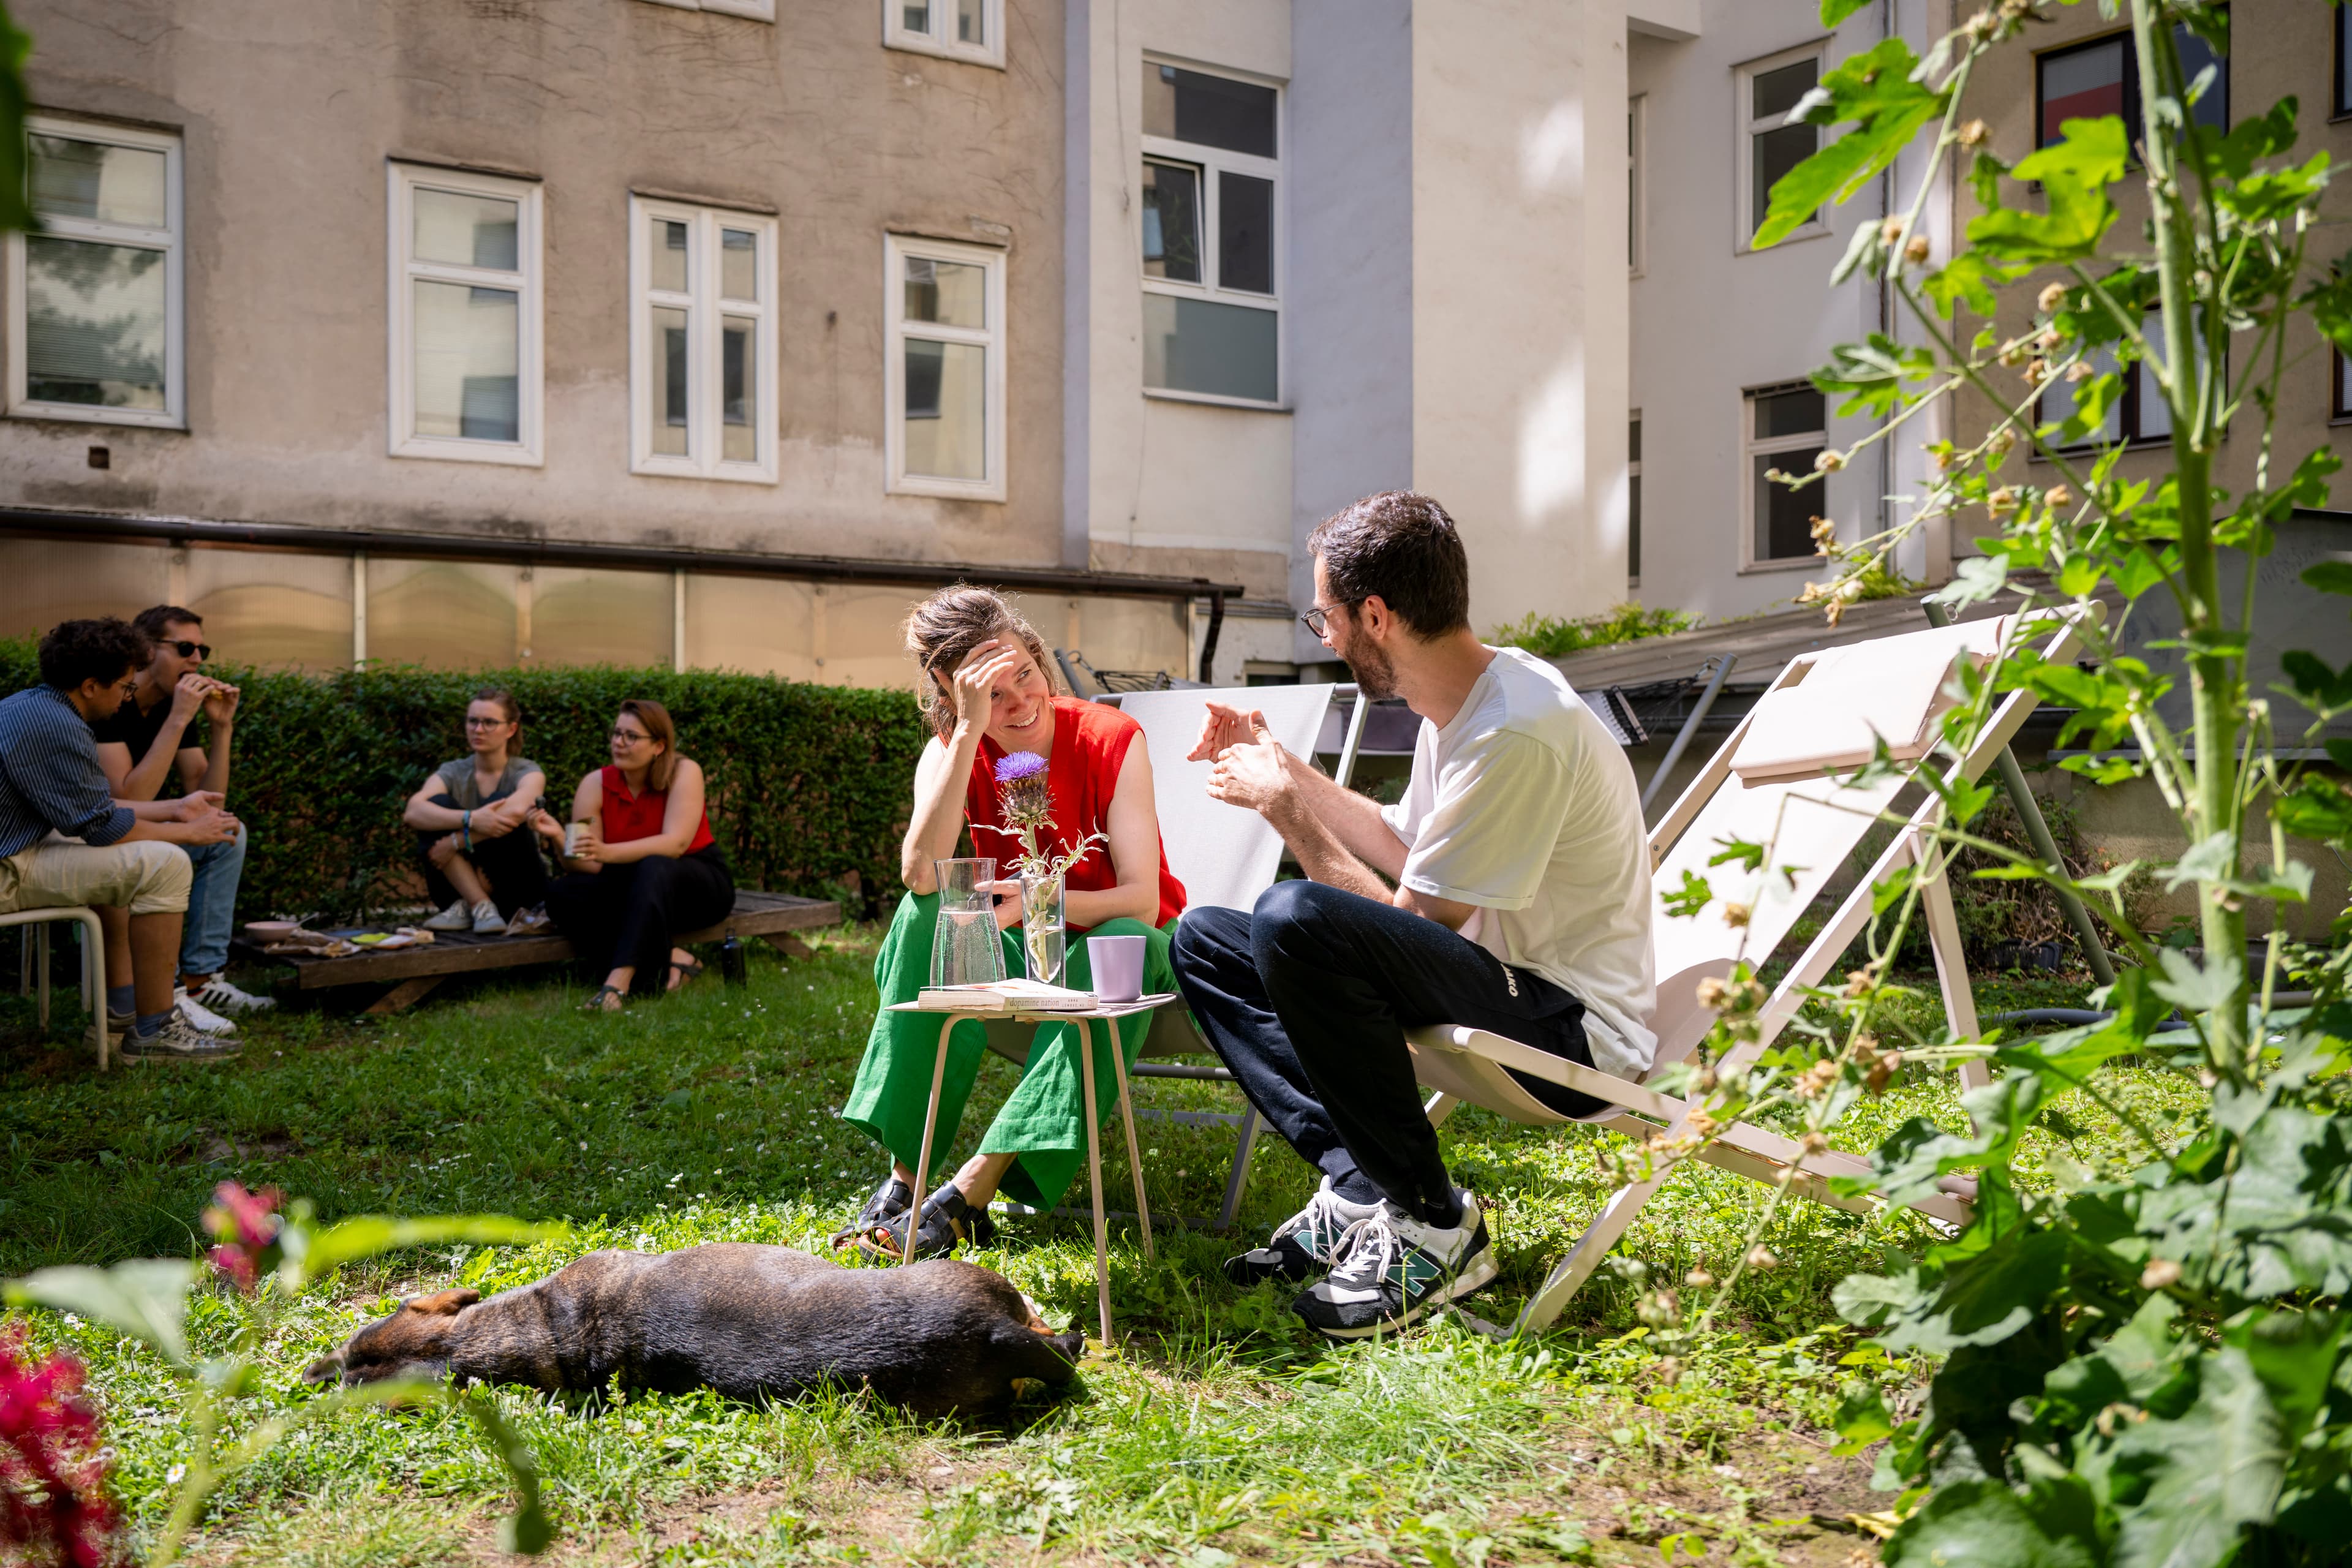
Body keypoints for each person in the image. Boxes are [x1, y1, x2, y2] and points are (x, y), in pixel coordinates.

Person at [1170, 491, 1656, 1339]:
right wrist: (1284, 763)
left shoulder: (1516, 731)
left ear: (1375, 615)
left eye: (1324, 617)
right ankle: (1360, 1182)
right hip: (1500, 983)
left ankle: (1434, 1221)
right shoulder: (1468, 700)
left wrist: (1286, 811)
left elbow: (1412, 928)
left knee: (1295, 917)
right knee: (1207, 940)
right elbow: (1408, 846)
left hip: (1569, 1029)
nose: (1324, 637)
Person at [833, 586, 1186, 1261]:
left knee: (1131, 940)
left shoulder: (1110, 738)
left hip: (1112, 952)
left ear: (1038, 655)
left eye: (1025, 673)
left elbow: (1142, 901)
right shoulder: (954, 748)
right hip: (1018, 957)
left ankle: (973, 1191)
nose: (1021, 701)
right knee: (926, 912)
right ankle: (908, 1177)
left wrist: (1037, 899)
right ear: (952, 691)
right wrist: (968, 733)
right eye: (992, 694)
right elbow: (920, 874)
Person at [0, 619, 245, 1062]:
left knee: (131, 856)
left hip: (14, 852)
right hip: (7, 870)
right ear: (91, 686)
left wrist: (176, 808)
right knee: (166, 864)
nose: (127, 698)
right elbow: (101, 826)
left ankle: (124, 1009)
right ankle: (155, 1030)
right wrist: (187, 832)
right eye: (124, 687)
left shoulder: (32, 706)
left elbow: (90, 807)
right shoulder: (60, 726)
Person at [89, 604, 269, 1033]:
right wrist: (180, 717)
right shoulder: (111, 703)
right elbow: (126, 798)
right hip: (101, 834)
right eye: (186, 648)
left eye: (203, 650)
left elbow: (210, 797)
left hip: (141, 827)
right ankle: (164, 992)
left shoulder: (174, 706)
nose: (198, 660)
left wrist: (221, 728)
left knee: (228, 831)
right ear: (148, 649)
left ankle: (202, 981)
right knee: (155, 850)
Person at [529, 699, 730, 1011]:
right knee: (562, 895)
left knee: (654, 866)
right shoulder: (594, 784)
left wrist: (607, 851)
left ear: (659, 746)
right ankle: (673, 960)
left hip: (695, 885)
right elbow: (588, 865)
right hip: (632, 886)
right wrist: (558, 837)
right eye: (617, 733)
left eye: (631, 736)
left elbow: (675, 845)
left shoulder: (685, 772)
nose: (619, 742)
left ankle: (617, 984)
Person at [403, 688, 548, 933]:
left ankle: (475, 904)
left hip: (516, 891)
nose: (478, 730)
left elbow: (515, 812)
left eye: (490, 722)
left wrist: (456, 842)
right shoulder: (453, 771)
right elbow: (413, 813)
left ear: (511, 729)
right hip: (454, 897)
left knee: (503, 802)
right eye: (473, 721)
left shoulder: (528, 772)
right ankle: (479, 905)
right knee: (436, 805)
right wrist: (471, 818)